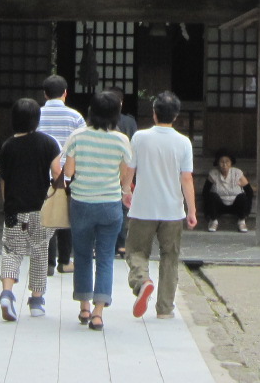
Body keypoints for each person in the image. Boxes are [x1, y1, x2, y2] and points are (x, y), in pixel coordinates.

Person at [61, 90, 133, 331]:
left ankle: (83, 306)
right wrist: (122, 188)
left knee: (81, 255)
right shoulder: (121, 139)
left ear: (91, 111)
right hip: (110, 204)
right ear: (116, 113)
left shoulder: (77, 136)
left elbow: (68, 173)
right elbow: (125, 173)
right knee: (105, 258)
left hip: (82, 202)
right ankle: (98, 312)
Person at [126, 91, 197, 321]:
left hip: (143, 206)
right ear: (176, 116)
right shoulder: (183, 142)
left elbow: (130, 169)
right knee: (170, 257)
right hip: (172, 209)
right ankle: (165, 308)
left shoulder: (140, 137)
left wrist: (125, 190)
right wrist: (192, 210)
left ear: (154, 113)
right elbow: (186, 178)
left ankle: (142, 281)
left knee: (136, 251)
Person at [0, 97, 61, 320]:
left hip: (15, 209)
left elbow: (3, 178)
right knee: (40, 252)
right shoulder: (48, 143)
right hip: (40, 208)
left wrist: (7, 204)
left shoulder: (8, 146)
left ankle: (7, 293)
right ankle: (36, 300)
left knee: (11, 251)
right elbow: (57, 174)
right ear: (37, 120)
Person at [37, 75, 85, 275]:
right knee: (66, 217)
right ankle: (64, 261)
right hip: (67, 173)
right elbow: (82, 145)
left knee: (45, 215)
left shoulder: (36, 114)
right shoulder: (75, 117)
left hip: (41, 173)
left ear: (45, 94)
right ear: (65, 93)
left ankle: (47, 263)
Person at [108, 87, 138, 258]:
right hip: (125, 168)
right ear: (120, 102)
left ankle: (106, 243)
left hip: (104, 169)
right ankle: (121, 243)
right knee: (122, 207)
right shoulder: (129, 122)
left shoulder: (96, 122)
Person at [203, 150, 252, 233]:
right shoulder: (213, 174)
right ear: (218, 163)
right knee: (212, 196)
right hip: (219, 205)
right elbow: (205, 192)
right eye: (222, 162)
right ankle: (214, 221)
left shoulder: (237, 173)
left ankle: (241, 221)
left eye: (227, 162)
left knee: (242, 197)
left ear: (231, 163)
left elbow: (249, 191)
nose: (224, 165)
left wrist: (247, 211)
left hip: (235, 205)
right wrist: (207, 212)